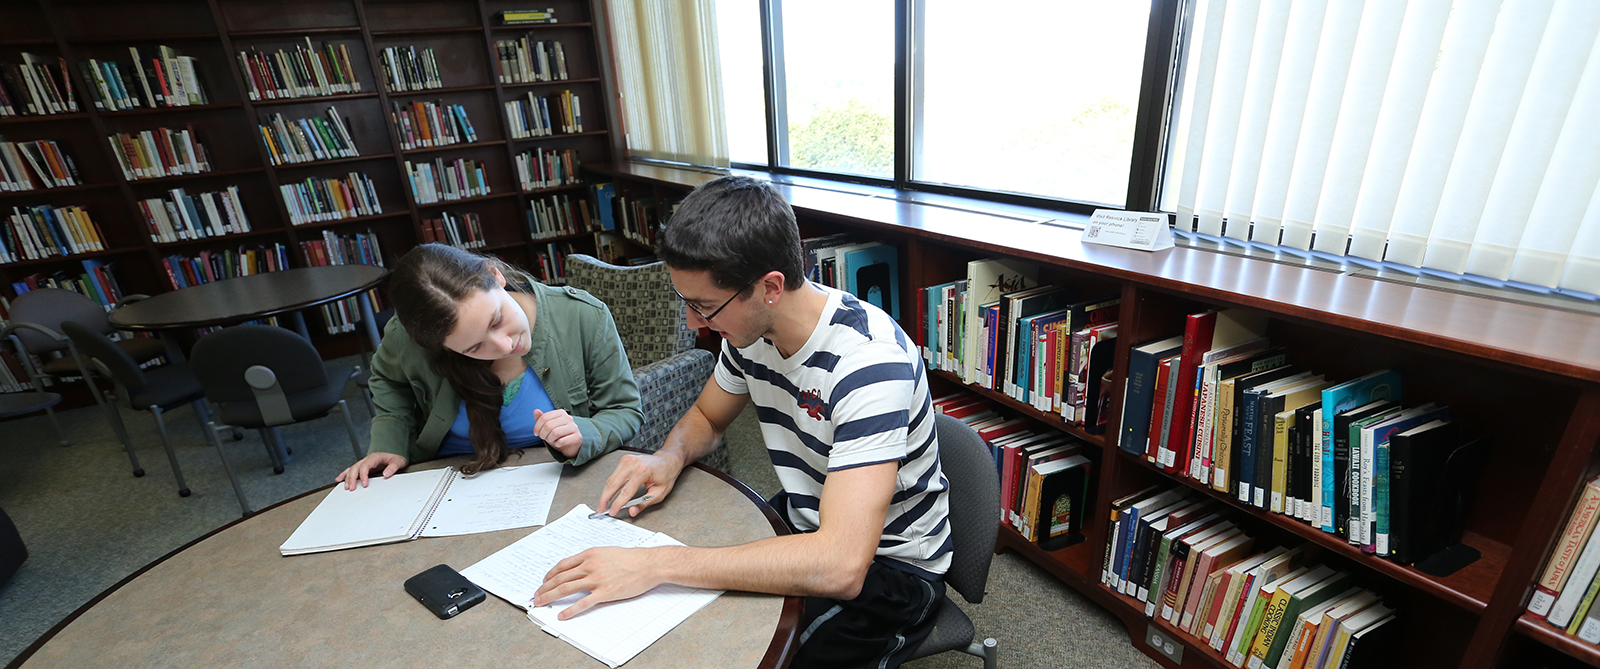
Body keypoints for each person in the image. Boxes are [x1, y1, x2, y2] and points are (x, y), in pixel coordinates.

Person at [534, 176, 951, 669]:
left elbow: (841, 566)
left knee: (750, 648)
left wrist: (656, 565)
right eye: (687, 303)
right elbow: (708, 417)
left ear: (770, 287)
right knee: (690, 622)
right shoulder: (751, 331)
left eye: (704, 306)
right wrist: (669, 456)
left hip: (892, 568)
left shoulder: (867, 364)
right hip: (806, 521)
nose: (693, 325)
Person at [337, 243, 642, 489]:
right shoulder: (407, 338)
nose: (505, 346)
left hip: (556, 480)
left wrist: (584, 434)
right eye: (474, 347)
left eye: (496, 319)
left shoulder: (582, 315)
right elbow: (388, 380)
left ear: (496, 275)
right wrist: (389, 443)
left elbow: (626, 411)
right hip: (443, 484)